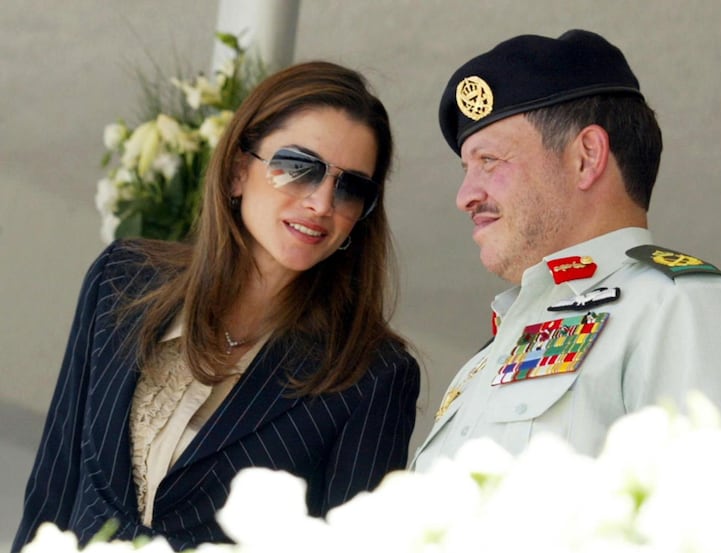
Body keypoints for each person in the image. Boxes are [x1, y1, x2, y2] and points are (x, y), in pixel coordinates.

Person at [13, 61, 421, 551]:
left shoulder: (373, 375)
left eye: (351, 186)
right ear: (236, 172)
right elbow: (54, 487)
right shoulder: (120, 280)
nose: (321, 202)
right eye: (298, 166)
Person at [411, 30, 721, 471]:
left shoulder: (678, 305)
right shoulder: (493, 353)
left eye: (489, 161)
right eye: (466, 167)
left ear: (586, 157)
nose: (465, 195)